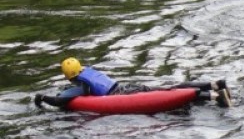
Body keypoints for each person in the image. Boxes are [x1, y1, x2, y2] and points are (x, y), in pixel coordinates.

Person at [34, 57, 231, 108]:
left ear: (69, 74)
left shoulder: (80, 85)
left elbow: (61, 101)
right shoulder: (88, 71)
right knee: (171, 88)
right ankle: (214, 86)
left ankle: (214, 95)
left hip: (120, 96)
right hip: (125, 87)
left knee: (170, 92)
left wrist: (42, 97)